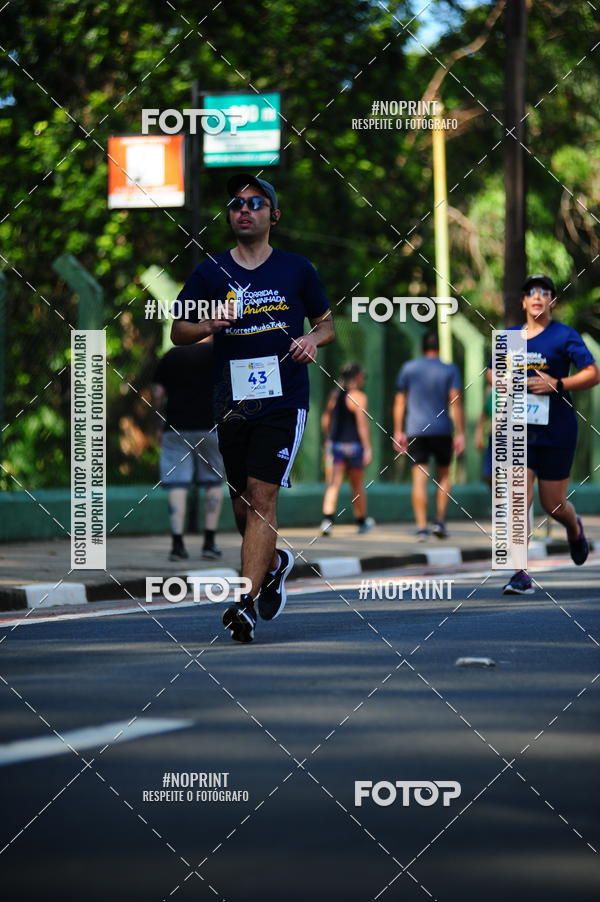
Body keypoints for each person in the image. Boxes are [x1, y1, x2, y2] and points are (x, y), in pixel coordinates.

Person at [171, 173, 334, 642]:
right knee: (243, 505)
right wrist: (208, 324)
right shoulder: (210, 272)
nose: (244, 210)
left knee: (263, 498)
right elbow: (178, 331)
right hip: (232, 402)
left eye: (255, 203)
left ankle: (244, 604)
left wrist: (312, 339)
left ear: (273, 216)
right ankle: (275, 562)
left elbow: (327, 325)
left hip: (284, 399)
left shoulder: (297, 269)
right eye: (237, 204)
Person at [488, 274, 599, 596]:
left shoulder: (564, 335)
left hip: (557, 430)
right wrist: (503, 381)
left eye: (544, 292)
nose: (538, 296)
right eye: (531, 292)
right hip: (518, 431)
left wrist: (558, 383)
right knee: (518, 499)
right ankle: (520, 573)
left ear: (552, 301)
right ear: (524, 301)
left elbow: (593, 373)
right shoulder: (510, 337)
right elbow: (493, 372)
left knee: (553, 504)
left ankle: (574, 527)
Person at [152, 340, 224, 561]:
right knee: (213, 482)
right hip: (211, 426)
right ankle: (209, 543)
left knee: (177, 484)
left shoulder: (171, 355)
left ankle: (177, 545)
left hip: (176, 428)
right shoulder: (219, 352)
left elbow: (157, 393)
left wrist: (158, 424)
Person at [392, 330, 465, 540]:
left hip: (416, 430)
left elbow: (399, 401)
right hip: (443, 430)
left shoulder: (409, 368)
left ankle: (422, 527)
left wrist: (398, 430)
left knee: (419, 478)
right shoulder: (449, 369)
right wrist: (461, 433)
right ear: (439, 347)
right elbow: (455, 401)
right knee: (444, 476)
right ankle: (439, 522)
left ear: (422, 347)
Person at [319, 362, 374, 535]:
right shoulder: (359, 397)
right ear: (357, 377)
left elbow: (326, 420)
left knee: (333, 483)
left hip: (336, 445)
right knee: (357, 485)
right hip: (354, 447)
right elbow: (362, 425)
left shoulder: (334, 396)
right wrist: (367, 448)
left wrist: (329, 439)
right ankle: (361, 521)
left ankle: (327, 521)